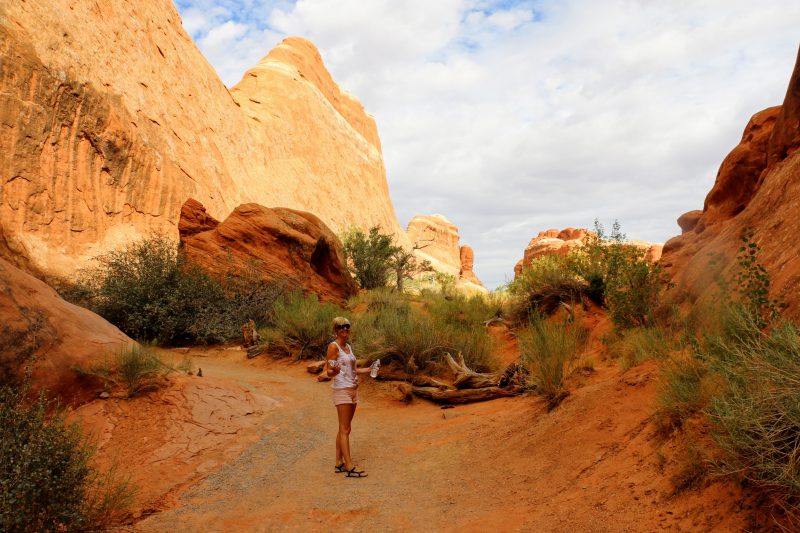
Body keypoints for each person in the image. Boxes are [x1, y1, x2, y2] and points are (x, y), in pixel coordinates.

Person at [326, 316, 379, 478]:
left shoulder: (348, 347)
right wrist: (334, 371)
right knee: (345, 429)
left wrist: (370, 369)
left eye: (347, 326)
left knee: (344, 427)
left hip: (352, 390)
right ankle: (349, 466)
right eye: (341, 327)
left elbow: (354, 369)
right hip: (342, 389)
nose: (345, 329)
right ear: (336, 330)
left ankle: (338, 462)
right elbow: (328, 371)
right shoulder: (333, 346)